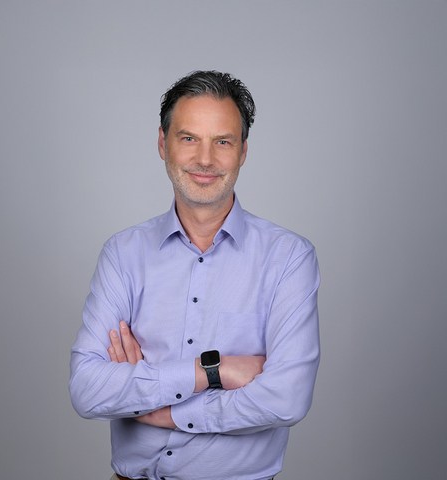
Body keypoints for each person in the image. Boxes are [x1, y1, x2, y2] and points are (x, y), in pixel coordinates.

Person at [69, 70, 320, 480]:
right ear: (162, 144)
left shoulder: (289, 258)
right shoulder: (122, 254)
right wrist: (211, 372)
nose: (205, 159)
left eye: (223, 141)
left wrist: (162, 408)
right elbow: (87, 390)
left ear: (242, 152)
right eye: (188, 138)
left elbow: (286, 399)